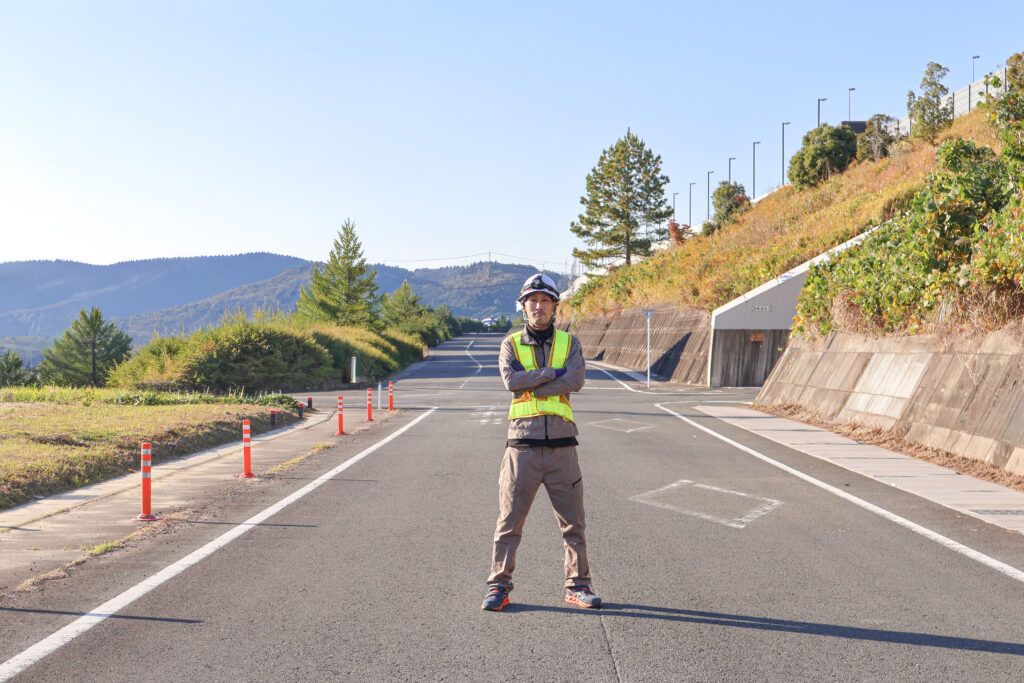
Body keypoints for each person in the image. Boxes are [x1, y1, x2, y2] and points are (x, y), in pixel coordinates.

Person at [481, 273, 601, 611]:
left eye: (545, 301)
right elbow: (511, 381)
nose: (538, 306)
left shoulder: (569, 343)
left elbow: (575, 380)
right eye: (532, 301)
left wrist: (532, 383)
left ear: (554, 306)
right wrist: (551, 374)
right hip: (522, 446)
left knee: (573, 523)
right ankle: (498, 587)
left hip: (563, 446)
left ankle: (578, 586)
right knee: (509, 523)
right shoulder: (510, 344)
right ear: (523, 306)